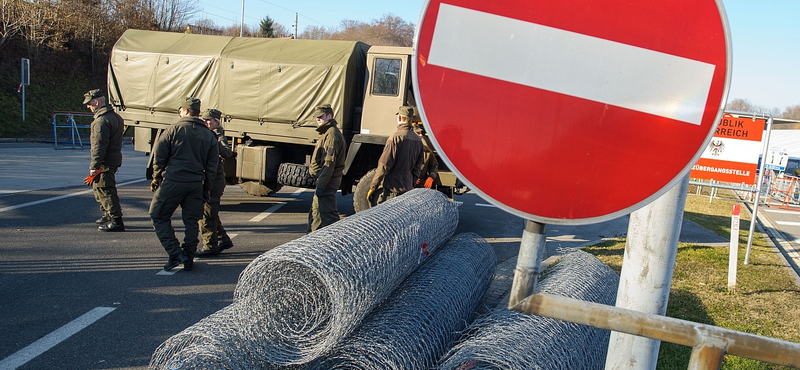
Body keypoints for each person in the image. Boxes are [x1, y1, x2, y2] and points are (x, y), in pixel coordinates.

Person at [149, 97, 219, 271]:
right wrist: (207, 188)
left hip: (174, 180)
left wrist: (157, 177)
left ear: (186, 111)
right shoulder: (209, 136)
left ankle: (175, 253)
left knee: (158, 215)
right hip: (196, 183)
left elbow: (160, 157)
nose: (179, 113)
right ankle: (188, 257)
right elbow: (212, 167)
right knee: (191, 221)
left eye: (180, 110)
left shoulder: (173, 130)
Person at [84, 88, 126, 232]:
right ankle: (107, 215)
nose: (88, 107)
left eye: (89, 104)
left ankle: (116, 220)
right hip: (113, 158)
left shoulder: (101, 121)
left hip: (105, 162)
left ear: (96, 102)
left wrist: (94, 165)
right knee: (99, 187)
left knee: (105, 190)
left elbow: (99, 146)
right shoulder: (116, 117)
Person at [196, 109, 235, 257]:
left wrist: (216, 139)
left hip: (215, 180)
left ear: (216, 122)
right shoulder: (207, 134)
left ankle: (210, 246)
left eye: (209, 121)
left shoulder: (217, 135)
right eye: (204, 120)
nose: (206, 123)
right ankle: (223, 239)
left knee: (207, 214)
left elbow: (227, 152)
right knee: (210, 212)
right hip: (211, 178)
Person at [368, 106, 424, 205]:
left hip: (392, 189)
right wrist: (411, 183)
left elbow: (384, 165)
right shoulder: (418, 140)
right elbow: (417, 167)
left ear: (399, 118)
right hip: (406, 188)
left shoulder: (395, 138)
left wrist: (373, 186)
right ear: (411, 120)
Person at [308, 103, 346, 232]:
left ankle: (335, 243)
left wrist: (321, 186)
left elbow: (329, 164)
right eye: (317, 117)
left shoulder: (332, 135)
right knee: (316, 214)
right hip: (325, 180)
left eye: (321, 117)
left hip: (327, 181)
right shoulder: (327, 133)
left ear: (329, 116)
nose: (318, 119)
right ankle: (312, 239)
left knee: (329, 217)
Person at [412, 122, 439, 189]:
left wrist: (431, 178)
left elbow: (434, 166)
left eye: (421, 133)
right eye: (418, 133)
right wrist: (410, 178)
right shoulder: (404, 150)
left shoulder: (427, 151)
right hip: (406, 186)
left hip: (421, 186)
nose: (421, 135)